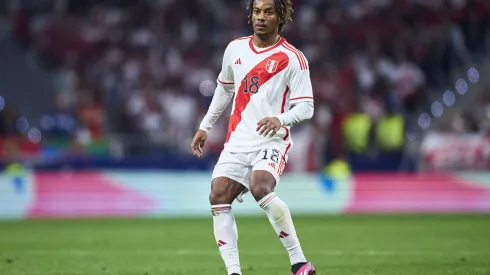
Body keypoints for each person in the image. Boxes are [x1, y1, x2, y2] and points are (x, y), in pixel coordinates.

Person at [191, 0, 315, 274]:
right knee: (218, 194)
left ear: (280, 16)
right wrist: (205, 126)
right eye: (257, 11)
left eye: (268, 12)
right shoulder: (235, 49)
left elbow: (307, 106)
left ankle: (299, 263)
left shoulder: (293, 58)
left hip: (272, 140)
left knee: (261, 187)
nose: (261, 17)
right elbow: (224, 90)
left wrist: (279, 119)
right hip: (237, 141)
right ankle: (234, 272)